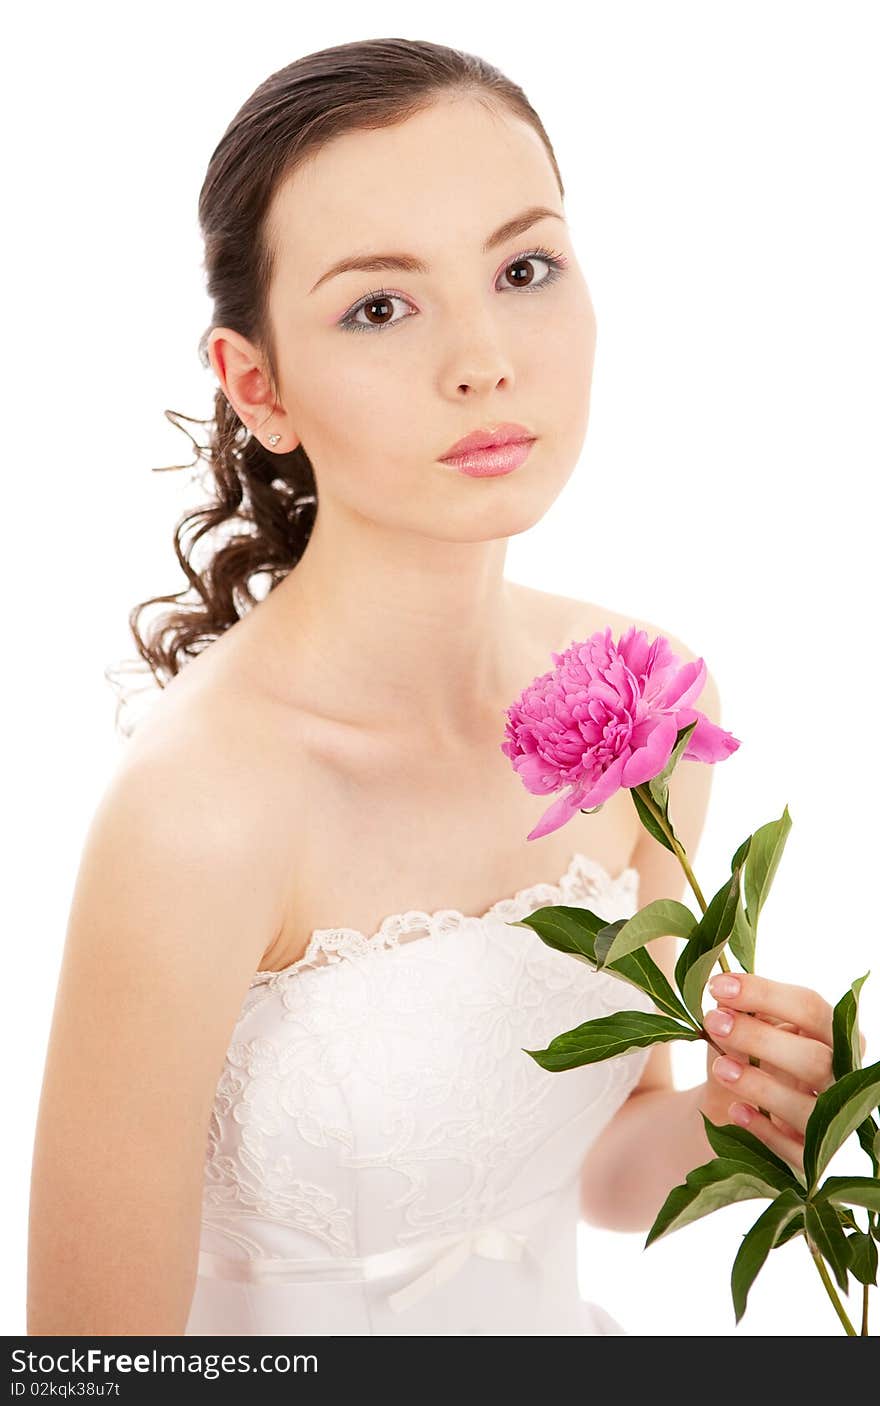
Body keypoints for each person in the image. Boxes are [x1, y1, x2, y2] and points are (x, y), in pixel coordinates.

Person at [27, 37, 848, 1338]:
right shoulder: (201, 811)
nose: (484, 359)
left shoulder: (646, 703)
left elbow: (599, 1163)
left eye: (524, 269)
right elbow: (93, 1361)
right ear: (260, 386)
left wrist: (756, 1113)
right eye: (379, 306)